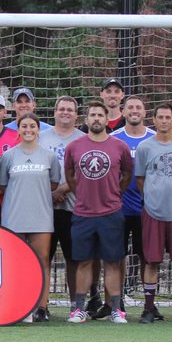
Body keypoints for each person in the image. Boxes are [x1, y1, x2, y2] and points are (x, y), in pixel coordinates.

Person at [62, 101, 133, 324]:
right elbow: (70, 175)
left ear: (106, 119)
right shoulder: (74, 147)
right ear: (86, 119)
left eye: (100, 115)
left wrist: (113, 194)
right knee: (83, 262)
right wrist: (81, 194)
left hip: (111, 213)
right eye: (92, 115)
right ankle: (79, 309)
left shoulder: (119, 146)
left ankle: (115, 309)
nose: (96, 119)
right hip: (83, 213)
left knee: (112, 262)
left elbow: (128, 175)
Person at [0, 113, 61, 322]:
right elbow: (4, 185)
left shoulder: (49, 156)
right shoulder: (9, 156)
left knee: (42, 260)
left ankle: (41, 307)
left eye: (32, 126)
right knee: (15, 262)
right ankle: (17, 305)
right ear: (18, 129)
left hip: (41, 215)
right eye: (24, 126)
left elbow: (53, 184)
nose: (28, 129)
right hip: (14, 216)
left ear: (38, 129)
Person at [135, 103, 172, 322]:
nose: (163, 120)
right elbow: (140, 179)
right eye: (160, 117)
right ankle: (149, 307)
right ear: (154, 120)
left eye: (167, 117)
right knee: (151, 261)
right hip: (153, 211)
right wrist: (153, 196)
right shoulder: (144, 147)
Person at [111, 96, 154, 309]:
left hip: (148, 209)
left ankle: (149, 303)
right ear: (124, 112)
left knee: (148, 257)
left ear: (145, 112)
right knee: (117, 256)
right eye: (130, 107)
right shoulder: (114, 139)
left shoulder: (155, 138)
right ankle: (116, 303)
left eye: (139, 107)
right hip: (118, 209)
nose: (134, 111)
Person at [39, 96, 84, 303]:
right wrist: (50, 192)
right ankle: (41, 304)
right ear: (55, 112)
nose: (65, 112)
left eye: (70, 110)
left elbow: (84, 173)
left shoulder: (83, 139)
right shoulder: (41, 137)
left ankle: (76, 304)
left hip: (74, 207)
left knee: (74, 258)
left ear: (76, 115)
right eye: (62, 109)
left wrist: (62, 189)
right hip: (44, 207)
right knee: (43, 258)